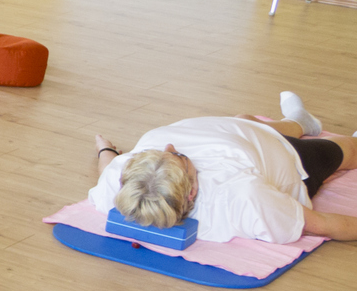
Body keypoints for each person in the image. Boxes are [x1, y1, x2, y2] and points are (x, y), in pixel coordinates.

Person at [90, 91, 357, 242]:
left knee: (245, 119)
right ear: (192, 191)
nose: (169, 146)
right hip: (287, 156)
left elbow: (108, 170)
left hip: (235, 130)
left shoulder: (122, 178)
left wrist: (105, 149)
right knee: (349, 149)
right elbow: (322, 224)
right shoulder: (243, 195)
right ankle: (302, 126)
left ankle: (300, 120)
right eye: (179, 156)